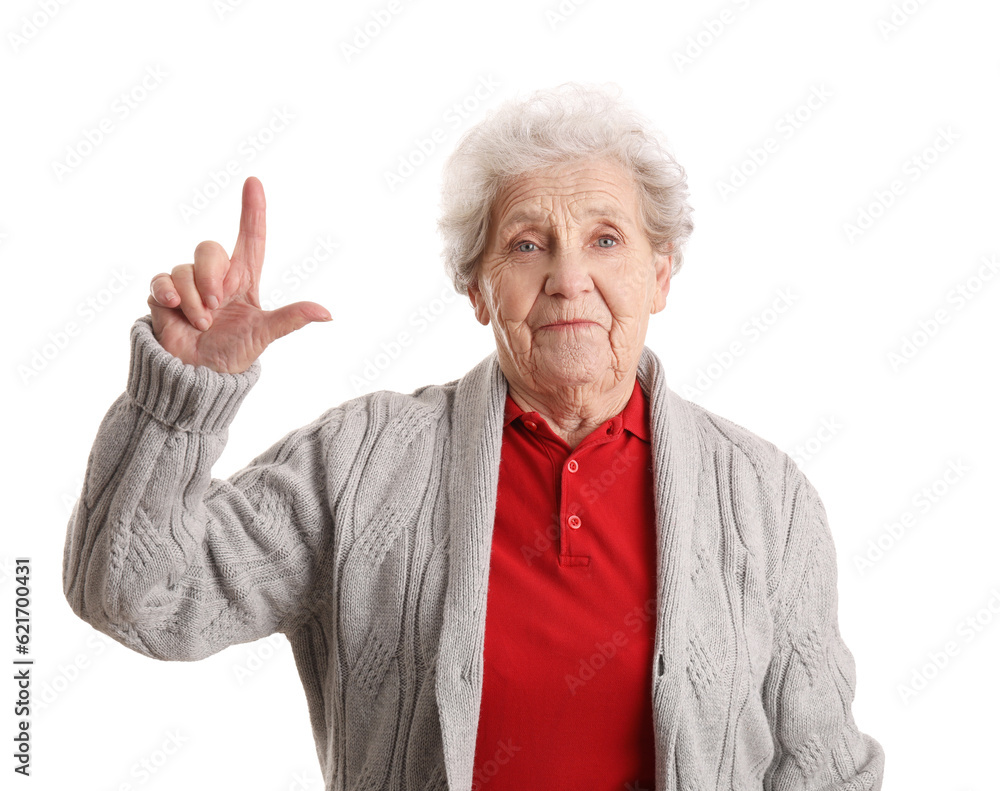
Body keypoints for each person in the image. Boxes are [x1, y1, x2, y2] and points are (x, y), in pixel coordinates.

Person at [62, 82, 884, 790]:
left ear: (659, 273)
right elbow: (137, 593)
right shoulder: (363, 461)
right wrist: (181, 397)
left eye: (606, 239)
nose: (569, 278)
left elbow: (824, 769)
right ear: (478, 289)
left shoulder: (766, 497)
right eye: (527, 244)